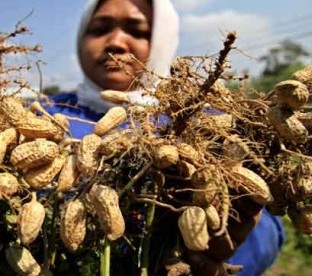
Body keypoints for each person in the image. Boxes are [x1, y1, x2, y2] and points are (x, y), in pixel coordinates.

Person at [44, 0, 284, 275]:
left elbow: (267, 228)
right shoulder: (46, 115)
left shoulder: (204, 119)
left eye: (138, 31)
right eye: (99, 29)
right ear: (80, 39)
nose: (115, 42)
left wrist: (223, 250)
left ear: (163, 38)